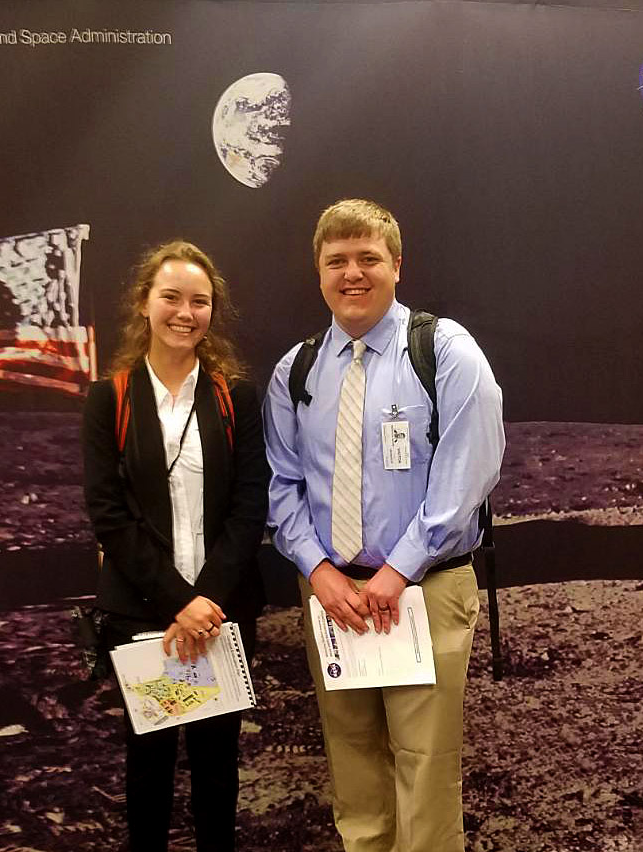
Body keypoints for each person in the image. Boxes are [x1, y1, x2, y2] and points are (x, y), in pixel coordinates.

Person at [263, 199, 505, 852]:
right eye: (336, 260)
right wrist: (318, 572)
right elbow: (282, 487)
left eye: (368, 257)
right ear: (318, 273)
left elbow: (467, 473)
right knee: (354, 767)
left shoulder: (445, 351)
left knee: (424, 776)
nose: (352, 273)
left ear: (396, 265)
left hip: (422, 593)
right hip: (334, 600)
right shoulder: (297, 372)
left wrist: (396, 573)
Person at [82, 240, 268, 852]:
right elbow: (109, 516)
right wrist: (175, 602)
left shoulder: (233, 397)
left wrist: (207, 601)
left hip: (221, 614)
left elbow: (249, 506)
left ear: (213, 312)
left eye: (199, 301)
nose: (184, 313)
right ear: (144, 303)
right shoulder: (108, 399)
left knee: (219, 771)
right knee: (149, 770)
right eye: (171, 298)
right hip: (144, 617)